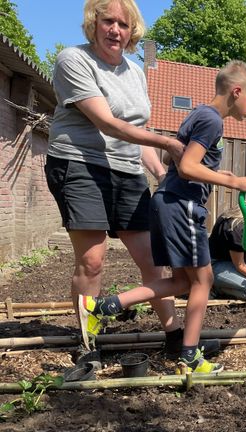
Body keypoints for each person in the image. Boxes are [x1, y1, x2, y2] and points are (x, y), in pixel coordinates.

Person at [77, 60, 246, 373]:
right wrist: (234, 182)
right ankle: (190, 357)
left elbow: (172, 156)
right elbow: (188, 167)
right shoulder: (213, 121)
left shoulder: (198, 113)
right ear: (236, 91)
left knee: (180, 281)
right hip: (182, 206)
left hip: (168, 202)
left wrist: (215, 172)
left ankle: (102, 306)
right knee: (203, 280)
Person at [45, 0, 193, 355]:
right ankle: (87, 341)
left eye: (123, 25)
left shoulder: (135, 71)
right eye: (108, 21)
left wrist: (161, 173)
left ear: (132, 32)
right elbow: (108, 123)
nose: (115, 30)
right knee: (93, 260)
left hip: (126, 171)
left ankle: (173, 336)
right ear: (93, 23)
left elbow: (136, 128)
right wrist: (169, 143)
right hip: (79, 164)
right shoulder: (73, 60)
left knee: (152, 260)